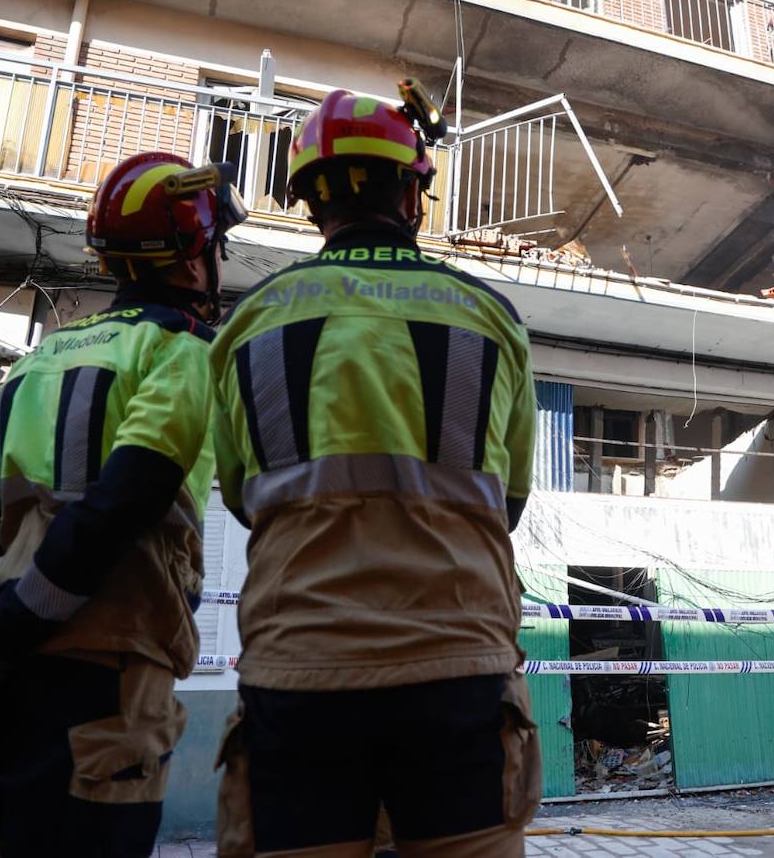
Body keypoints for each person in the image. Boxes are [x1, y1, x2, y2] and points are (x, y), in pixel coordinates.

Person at [209, 82, 540, 857]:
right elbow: (510, 500)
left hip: (298, 669)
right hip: (458, 665)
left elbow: (241, 497)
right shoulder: (488, 315)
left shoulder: (252, 320)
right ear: (412, 190)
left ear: (310, 200)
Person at [0, 152, 244, 857]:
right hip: (103, 675)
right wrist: (9, 630)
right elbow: (124, 500)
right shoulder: (184, 353)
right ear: (193, 259)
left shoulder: (40, 359)